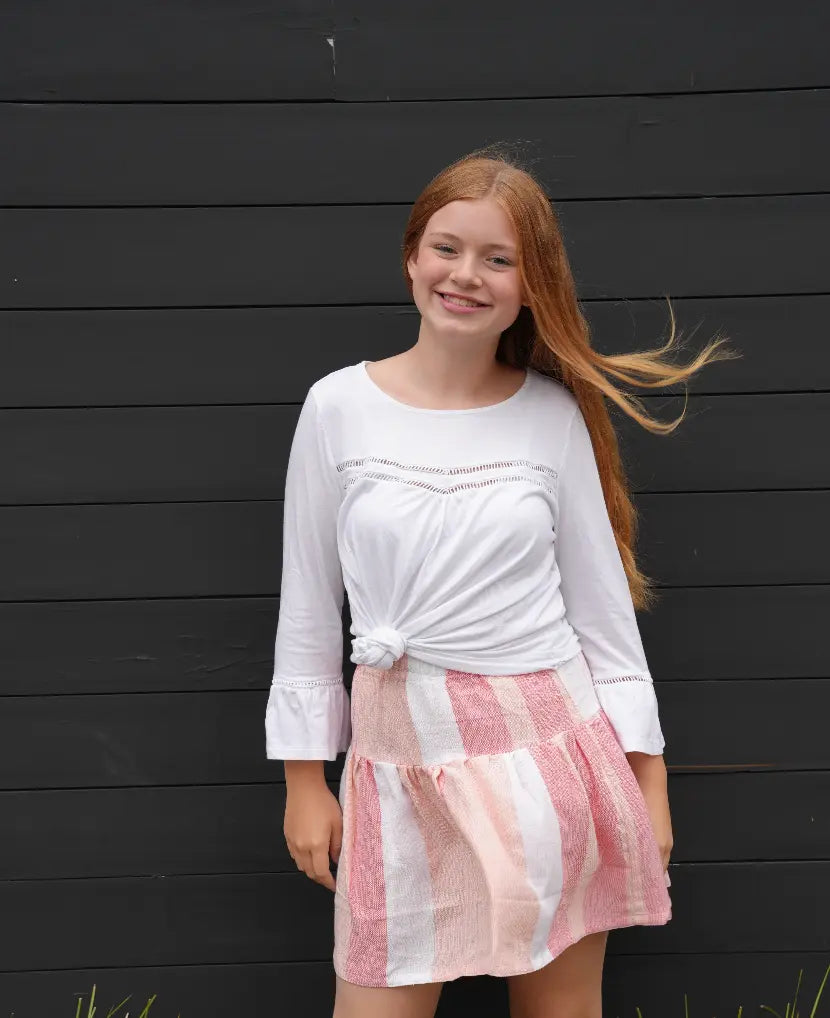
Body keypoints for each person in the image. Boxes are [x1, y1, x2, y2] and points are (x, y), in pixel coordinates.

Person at [265, 144, 737, 1018]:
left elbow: (603, 623)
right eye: (447, 248)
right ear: (412, 256)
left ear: (531, 284)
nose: (465, 276)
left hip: (549, 759)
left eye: (499, 259)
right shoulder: (337, 407)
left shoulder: (551, 415)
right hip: (397, 768)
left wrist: (650, 786)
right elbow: (307, 606)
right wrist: (304, 779)